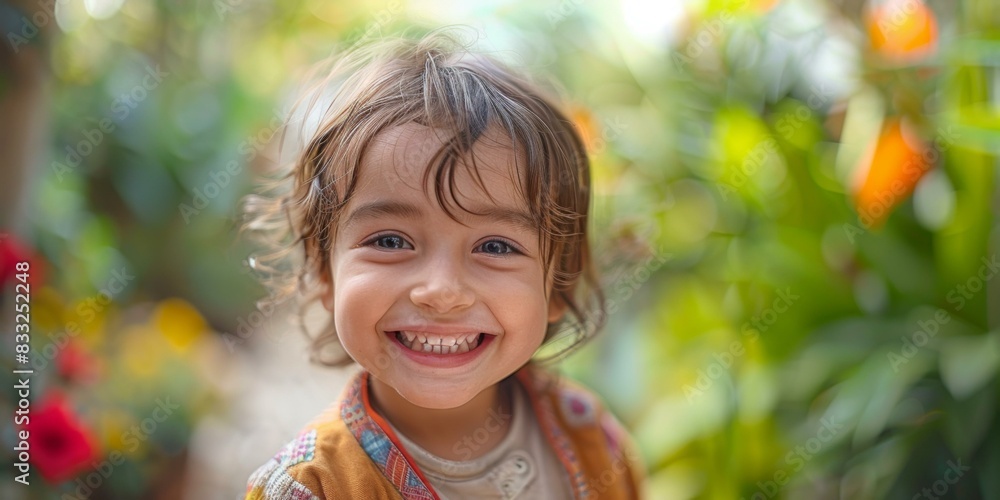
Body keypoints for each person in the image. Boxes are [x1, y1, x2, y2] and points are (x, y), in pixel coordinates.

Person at [243, 27, 644, 500]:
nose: (441, 290)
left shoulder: (590, 436)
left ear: (557, 283)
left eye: (495, 247)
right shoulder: (312, 488)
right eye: (391, 240)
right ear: (325, 272)